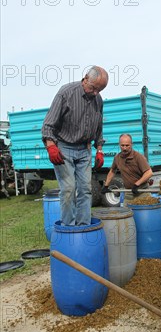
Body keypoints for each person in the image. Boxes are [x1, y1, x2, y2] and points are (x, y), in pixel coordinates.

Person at [42, 66, 109, 226]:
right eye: (93, 88)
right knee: (69, 190)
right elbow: (48, 125)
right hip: (64, 148)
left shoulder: (98, 100)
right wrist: (51, 146)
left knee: (86, 190)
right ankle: (69, 229)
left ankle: (84, 228)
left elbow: (98, 126)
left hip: (84, 150)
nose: (95, 93)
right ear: (85, 78)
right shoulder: (66, 93)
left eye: (99, 90)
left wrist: (99, 149)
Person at [102, 134, 153, 203]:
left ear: (131, 144)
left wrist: (137, 184)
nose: (124, 148)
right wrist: (106, 185)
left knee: (143, 213)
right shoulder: (117, 158)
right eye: (122, 145)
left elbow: (149, 173)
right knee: (127, 213)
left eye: (127, 145)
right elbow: (112, 171)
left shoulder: (138, 157)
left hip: (142, 191)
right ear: (119, 144)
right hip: (128, 192)